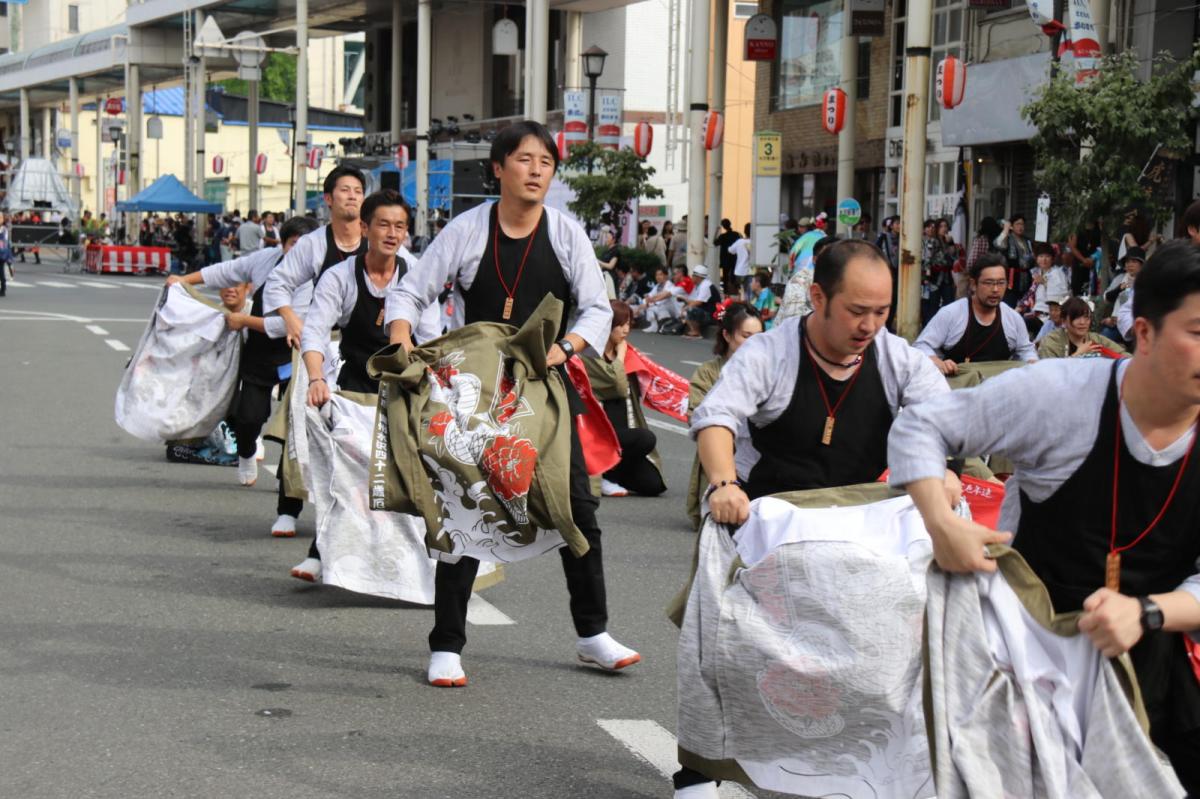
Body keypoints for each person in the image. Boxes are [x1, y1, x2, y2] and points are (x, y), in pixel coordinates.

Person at [888, 239, 1200, 794]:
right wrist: (941, 523)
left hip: (1143, 657)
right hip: (1022, 655)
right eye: (1198, 334)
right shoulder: (1059, 396)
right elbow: (921, 426)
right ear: (1145, 333)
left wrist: (1149, 612)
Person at [680, 238, 955, 798]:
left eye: (881, 312)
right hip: (767, 528)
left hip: (858, 533)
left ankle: (859, 768)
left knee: (876, 660)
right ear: (818, 297)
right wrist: (725, 484)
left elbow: (940, 422)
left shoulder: (898, 360)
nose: (869, 325)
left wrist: (943, 470)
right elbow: (717, 416)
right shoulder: (770, 354)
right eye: (857, 311)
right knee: (724, 652)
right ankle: (699, 771)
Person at [384, 120, 639, 687]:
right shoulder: (467, 229)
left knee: (576, 504)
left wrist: (566, 348)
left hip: (544, 386)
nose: (536, 171)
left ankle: (592, 633)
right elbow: (409, 290)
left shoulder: (567, 232)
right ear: (497, 169)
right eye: (524, 160)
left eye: (545, 163)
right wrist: (402, 337)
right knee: (466, 503)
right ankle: (446, 644)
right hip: (475, 388)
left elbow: (598, 308)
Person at [167, 216, 321, 526]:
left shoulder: (316, 275)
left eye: (307, 246)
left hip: (299, 356)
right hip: (260, 353)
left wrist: (244, 322)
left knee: (296, 427)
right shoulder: (265, 260)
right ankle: (247, 451)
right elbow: (225, 271)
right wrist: (186, 280)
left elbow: (290, 326)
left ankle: (287, 486)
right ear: (283, 244)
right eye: (294, 245)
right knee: (249, 417)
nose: (300, 252)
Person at [262, 165, 372, 346]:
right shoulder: (313, 243)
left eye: (358, 191)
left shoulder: (377, 240)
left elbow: (413, 281)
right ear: (328, 198)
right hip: (325, 342)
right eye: (345, 190)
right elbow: (277, 281)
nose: (352, 196)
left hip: (370, 342)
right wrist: (290, 319)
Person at [685, 301, 763, 530]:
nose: (754, 343)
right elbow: (696, 416)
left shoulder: (769, 370)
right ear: (727, 335)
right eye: (746, 336)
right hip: (725, 454)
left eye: (759, 336)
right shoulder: (708, 372)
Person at [582, 301, 668, 497]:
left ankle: (613, 471)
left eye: (628, 323)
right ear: (607, 325)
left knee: (653, 485)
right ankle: (605, 475)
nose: (626, 330)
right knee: (646, 438)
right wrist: (620, 356)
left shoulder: (630, 354)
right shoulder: (590, 356)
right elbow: (619, 387)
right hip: (599, 435)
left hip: (623, 436)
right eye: (620, 325)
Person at [915, 253, 1038, 376]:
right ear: (973, 284)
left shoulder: (1013, 318)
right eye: (988, 283)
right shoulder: (951, 313)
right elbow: (921, 346)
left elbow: (1026, 350)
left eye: (1001, 283)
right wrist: (940, 363)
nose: (995, 289)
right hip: (956, 387)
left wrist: (1032, 362)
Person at [1036, 296, 1127, 359]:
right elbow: (1050, 372)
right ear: (1064, 320)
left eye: (1086, 317)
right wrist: (1078, 354)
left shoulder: (1096, 339)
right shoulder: (1052, 341)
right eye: (1076, 318)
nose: (1082, 322)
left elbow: (1124, 356)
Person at [1101, 246, 1144, 343]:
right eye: (1128, 262)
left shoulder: (1147, 281)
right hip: (1115, 325)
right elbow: (1106, 298)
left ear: (1142, 264)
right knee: (1102, 341)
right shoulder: (1120, 278)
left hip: (1136, 327)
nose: (1130, 265)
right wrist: (1118, 289)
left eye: (1134, 262)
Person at [995, 214, 1034, 306]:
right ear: (1012, 226)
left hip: (1026, 276)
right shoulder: (1008, 239)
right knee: (1010, 302)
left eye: (1022, 224)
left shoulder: (1027, 241)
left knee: (1024, 303)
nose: (1021, 227)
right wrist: (1005, 229)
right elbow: (998, 244)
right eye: (1018, 224)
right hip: (1012, 276)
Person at [636, 266, 681, 333]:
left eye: (660, 274)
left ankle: (665, 324)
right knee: (648, 305)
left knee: (656, 306)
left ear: (666, 276)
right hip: (663, 308)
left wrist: (648, 303)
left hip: (673, 311)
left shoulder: (670, 285)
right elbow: (649, 296)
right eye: (656, 275)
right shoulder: (657, 286)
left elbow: (661, 300)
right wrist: (645, 302)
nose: (658, 277)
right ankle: (654, 326)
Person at [681, 264, 721, 340]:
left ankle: (696, 332)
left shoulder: (705, 285)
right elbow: (694, 300)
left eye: (693, 275)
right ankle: (693, 330)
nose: (691, 277)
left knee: (690, 309)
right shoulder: (699, 285)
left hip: (712, 315)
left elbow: (698, 302)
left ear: (698, 277)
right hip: (705, 312)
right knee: (687, 308)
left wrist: (685, 308)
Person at [713, 218, 741, 296]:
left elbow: (714, 243)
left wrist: (716, 231)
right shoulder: (736, 234)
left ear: (723, 226)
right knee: (733, 275)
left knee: (725, 276)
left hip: (725, 259)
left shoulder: (723, 236)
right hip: (734, 258)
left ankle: (726, 292)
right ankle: (735, 291)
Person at [728, 223, 752, 299]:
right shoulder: (755, 242)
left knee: (741, 291)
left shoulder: (739, 242)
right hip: (750, 271)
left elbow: (730, 250)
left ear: (745, 231)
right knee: (749, 293)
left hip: (739, 271)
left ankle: (742, 304)